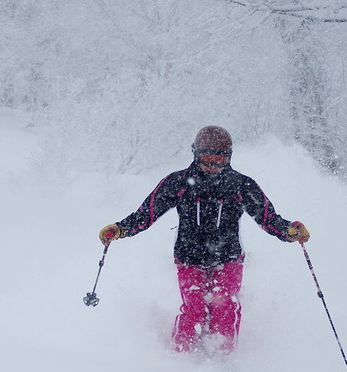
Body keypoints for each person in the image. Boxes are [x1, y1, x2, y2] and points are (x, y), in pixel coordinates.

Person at [99, 126, 310, 354]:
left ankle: (223, 357)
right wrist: (120, 229)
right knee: (195, 309)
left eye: (220, 159)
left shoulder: (240, 185)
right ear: (196, 154)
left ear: (229, 158)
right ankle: (182, 356)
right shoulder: (178, 182)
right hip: (189, 258)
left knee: (224, 305)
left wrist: (289, 231)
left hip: (228, 257)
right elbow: (146, 214)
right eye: (208, 158)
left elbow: (268, 218)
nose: (213, 165)